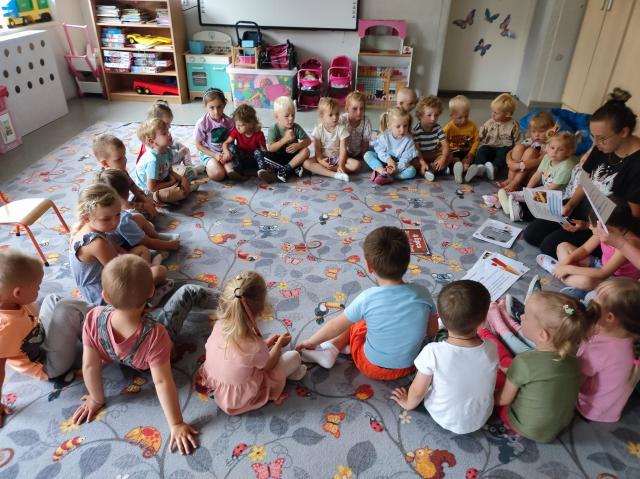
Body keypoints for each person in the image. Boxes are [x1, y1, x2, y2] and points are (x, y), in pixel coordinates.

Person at [72, 255, 218, 454]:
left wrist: (96, 399)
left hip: (122, 355)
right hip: (154, 350)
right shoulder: (157, 334)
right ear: (151, 291)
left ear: (106, 296)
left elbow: (90, 365)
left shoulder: (93, 317)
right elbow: (162, 382)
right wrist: (176, 423)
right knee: (187, 291)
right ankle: (234, 299)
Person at [296, 226, 437, 380]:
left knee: (357, 321)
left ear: (370, 267)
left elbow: (335, 326)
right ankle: (346, 347)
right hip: (408, 365)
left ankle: (332, 348)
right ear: (407, 262)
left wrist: (310, 342)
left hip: (371, 365)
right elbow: (432, 330)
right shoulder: (423, 293)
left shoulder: (367, 298)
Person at [523, 88, 640, 257]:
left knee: (548, 246)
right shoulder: (603, 146)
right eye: (593, 137)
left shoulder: (636, 165)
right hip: (586, 207)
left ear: (623, 132)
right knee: (532, 234)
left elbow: (631, 219)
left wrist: (588, 226)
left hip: (609, 226)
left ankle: (597, 260)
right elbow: (585, 180)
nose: (596, 143)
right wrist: (570, 206)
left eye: (601, 138)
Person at [390, 280, 498, 434]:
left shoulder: (432, 352)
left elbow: (418, 392)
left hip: (444, 416)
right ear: (483, 323)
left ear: (440, 316)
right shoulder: (491, 348)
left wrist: (407, 403)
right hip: (481, 417)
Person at [0, 250, 91, 426]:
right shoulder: (4, 328)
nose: (39, 289)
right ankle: (107, 324)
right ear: (17, 292)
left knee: (52, 299)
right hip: (48, 366)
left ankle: (92, 327)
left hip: (41, 336)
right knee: (65, 307)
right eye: (37, 286)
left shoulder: (12, 301)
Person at [196, 271, 306, 415]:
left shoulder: (219, 325)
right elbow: (268, 365)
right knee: (294, 357)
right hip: (238, 398)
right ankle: (288, 376)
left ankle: (290, 373)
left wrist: (267, 343)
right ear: (261, 310)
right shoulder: (255, 345)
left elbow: (239, 353)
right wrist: (278, 345)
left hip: (215, 387)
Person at [495, 292, 599, 442]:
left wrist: (486, 397)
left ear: (542, 335)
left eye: (526, 315)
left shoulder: (524, 362)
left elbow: (503, 400)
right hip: (558, 426)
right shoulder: (576, 361)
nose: (521, 317)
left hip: (524, 427)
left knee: (496, 375)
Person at [69, 184, 170, 307]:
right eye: (106, 219)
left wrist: (132, 260)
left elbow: (118, 253)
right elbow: (120, 275)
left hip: (108, 277)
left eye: (118, 214)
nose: (115, 222)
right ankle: (146, 299)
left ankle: (148, 278)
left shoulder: (92, 229)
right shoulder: (96, 243)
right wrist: (143, 270)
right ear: (86, 218)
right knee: (159, 272)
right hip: (105, 297)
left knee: (141, 250)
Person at [536, 199, 640, 292]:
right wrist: (565, 263)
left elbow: (604, 273)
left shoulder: (628, 243)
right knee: (562, 246)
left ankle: (562, 275)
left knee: (586, 281)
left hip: (616, 281)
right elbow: (585, 249)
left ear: (607, 229)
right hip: (601, 265)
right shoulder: (607, 232)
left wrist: (568, 269)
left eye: (593, 226)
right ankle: (566, 275)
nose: (590, 227)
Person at [577, 278, 640, 422]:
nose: (590, 302)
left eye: (595, 303)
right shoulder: (631, 336)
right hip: (611, 409)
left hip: (588, 408)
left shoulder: (598, 349)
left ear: (610, 317)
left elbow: (575, 378)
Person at [95, 168, 180, 253]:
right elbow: (147, 242)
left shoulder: (108, 210)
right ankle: (157, 254)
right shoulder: (122, 221)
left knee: (138, 218)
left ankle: (157, 236)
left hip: (119, 238)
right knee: (143, 250)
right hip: (123, 248)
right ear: (127, 193)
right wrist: (170, 245)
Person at [499, 131, 578, 222]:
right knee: (526, 194)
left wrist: (529, 195)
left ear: (568, 152)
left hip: (558, 195)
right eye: (552, 148)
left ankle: (512, 204)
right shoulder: (547, 157)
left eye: (561, 150)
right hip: (546, 189)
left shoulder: (566, 166)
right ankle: (507, 201)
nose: (554, 152)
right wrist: (527, 190)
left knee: (532, 198)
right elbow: (536, 176)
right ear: (547, 147)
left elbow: (553, 188)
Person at [93, 134, 157, 218]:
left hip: (124, 203)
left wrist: (147, 201)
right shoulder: (108, 180)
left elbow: (133, 187)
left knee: (149, 196)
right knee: (136, 216)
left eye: (124, 155)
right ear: (105, 163)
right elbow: (124, 205)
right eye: (119, 159)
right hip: (114, 213)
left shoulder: (121, 170)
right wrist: (145, 206)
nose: (125, 161)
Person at [133, 118, 192, 204]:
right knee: (168, 195)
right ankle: (184, 191)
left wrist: (183, 180)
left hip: (162, 179)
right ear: (152, 141)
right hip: (149, 191)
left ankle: (183, 190)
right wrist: (171, 182)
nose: (169, 134)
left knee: (188, 172)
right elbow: (152, 188)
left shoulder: (167, 151)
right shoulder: (152, 161)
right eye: (164, 133)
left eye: (168, 131)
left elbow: (170, 171)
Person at [498, 111, 556, 192]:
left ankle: (515, 183)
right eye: (533, 131)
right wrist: (510, 162)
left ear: (550, 132)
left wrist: (518, 166)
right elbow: (510, 152)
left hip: (533, 177)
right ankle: (510, 180)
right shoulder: (531, 141)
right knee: (518, 147)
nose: (536, 135)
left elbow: (539, 161)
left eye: (541, 131)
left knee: (530, 151)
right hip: (520, 171)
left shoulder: (550, 145)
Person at [304, 97, 357, 182]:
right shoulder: (318, 130)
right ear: (322, 116)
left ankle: (325, 170)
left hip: (338, 158)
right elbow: (317, 150)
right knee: (306, 163)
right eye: (331, 115)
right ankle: (334, 174)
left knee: (356, 165)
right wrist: (321, 161)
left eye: (337, 114)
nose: (335, 117)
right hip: (323, 157)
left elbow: (343, 149)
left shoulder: (341, 129)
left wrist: (341, 165)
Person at [364, 107, 419, 185]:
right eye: (398, 126)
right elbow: (380, 151)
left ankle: (390, 176)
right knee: (368, 154)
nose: (402, 130)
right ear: (389, 126)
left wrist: (396, 169)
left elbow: (406, 158)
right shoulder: (384, 136)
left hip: (398, 165)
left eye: (405, 126)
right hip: (384, 162)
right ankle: (382, 171)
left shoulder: (409, 140)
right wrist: (388, 160)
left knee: (412, 171)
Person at [474, 93, 521, 181]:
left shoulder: (513, 125)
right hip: (490, 145)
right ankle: (479, 167)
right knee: (482, 150)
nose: (492, 114)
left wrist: (516, 151)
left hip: (504, 147)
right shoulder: (490, 122)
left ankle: (494, 169)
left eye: (496, 113)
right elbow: (482, 132)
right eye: (492, 111)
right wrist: (478, 136)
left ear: (507, 114)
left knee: (503, 154)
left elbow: (518, 140)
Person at [144, 100, 197, 178]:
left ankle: (189, 166)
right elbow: (165, 158)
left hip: (170, 157)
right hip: (164, 167)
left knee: (180, 146)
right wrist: (180, 154)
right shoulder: (152, 145)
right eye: (167, 123)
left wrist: (174, 146)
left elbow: (170, 147)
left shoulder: (158, 133)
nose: (170, 126)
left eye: (170, 123)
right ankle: (189, 171)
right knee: (186, 174)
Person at [193, 88, 235, 182]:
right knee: (218, 175)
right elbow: (198, 145)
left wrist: (226, 151)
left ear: (224, 104)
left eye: (219, 107)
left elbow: (231, 140)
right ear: (205, 107)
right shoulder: (202, 123)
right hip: (209, 152)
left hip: (225, 151)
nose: (216, 111)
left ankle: (222, 166)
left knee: (232, 170)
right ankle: (208, 166)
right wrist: (215, 155)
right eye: (212, 108)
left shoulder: (229, 122)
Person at [266, 96, 311, 183]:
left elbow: (308, 141)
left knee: (306, 151)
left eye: (293, 115)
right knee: (264, 155)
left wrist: (299, 145)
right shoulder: (273, 129)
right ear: (276, 116)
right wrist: (285, 139)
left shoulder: (296, 127)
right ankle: (294, 168)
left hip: (292, 157)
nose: (291, 118)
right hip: (278, 157)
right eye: (286, 116)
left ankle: (285, 170)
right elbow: (270, 148)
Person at [221, 104, 267, 182]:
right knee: (231, 146)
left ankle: (262, 170)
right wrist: (226, 151)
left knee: (258, 151)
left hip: (254, 161)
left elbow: (263, 150)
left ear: (251, 124)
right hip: (241, 160)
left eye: (240, 125)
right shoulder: (236, 131)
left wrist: (264, 150)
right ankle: (238, 172)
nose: (237, 127)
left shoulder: (259, 134)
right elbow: (226, 143)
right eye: (236, 125)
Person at [442, 95, 480, 184]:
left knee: (472, 160)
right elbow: (441, 141)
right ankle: (458, 172)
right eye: (460, 117)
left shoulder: (472, 126)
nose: (464, 120)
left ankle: (467, 172)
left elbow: (477, 140)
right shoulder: (448, 128)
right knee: (454, 161)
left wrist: (470, 154)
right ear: (452, 116)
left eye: (466, 116)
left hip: (467, 152)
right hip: (454, 152)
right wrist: (449, 154)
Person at [413, 95, 449, 181]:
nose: (433, 119)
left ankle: (432, 169)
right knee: (413, 161)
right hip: (422, 155)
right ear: (420, 115)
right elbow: (417, 150)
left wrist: (443, 159)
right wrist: (422, 163)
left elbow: (445, 145)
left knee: (449, 155)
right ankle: (434, 169)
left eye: (436, 115)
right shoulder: (416, 130)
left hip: (433, 154)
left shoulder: (438, 128)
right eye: (429, 115)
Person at [340, 90, 372, 159]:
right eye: (355, 109)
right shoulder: (342, 120)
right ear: (347, 109)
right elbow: (338, 141)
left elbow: (365, 142)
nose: (359, 112)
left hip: (359, 152)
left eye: (362, 109)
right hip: (343, 151)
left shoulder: (366, 121)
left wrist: (363, 156)